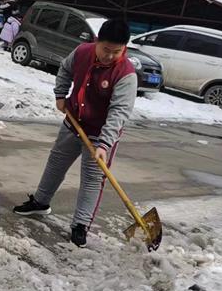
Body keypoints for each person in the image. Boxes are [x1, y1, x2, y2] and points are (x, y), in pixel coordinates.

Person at [13, 19, 137, 248]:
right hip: (74, 120)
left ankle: (80, 225)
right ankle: (40, 202)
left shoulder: (126, 75)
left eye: (116, 52)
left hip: (101, 133)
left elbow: (119, 112)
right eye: (106, 50)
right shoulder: (82, 52)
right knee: (56, 162)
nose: (109, 56)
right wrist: (61, 95)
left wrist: (104, 145)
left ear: (124, 49)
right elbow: (65, 69)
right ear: (97, 42)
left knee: (92, 179)